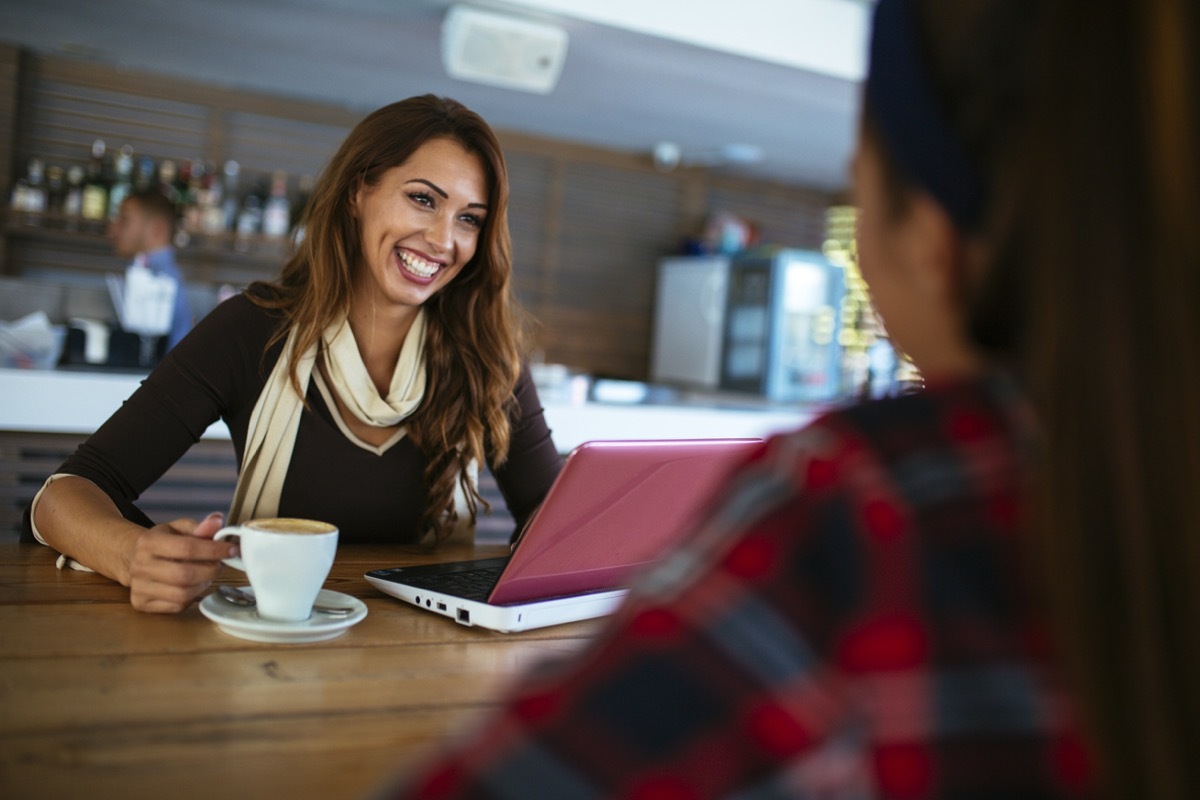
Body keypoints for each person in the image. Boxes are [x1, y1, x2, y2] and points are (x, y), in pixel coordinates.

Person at [377, 0, 1199, 798]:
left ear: (931, 235)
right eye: (423, 200)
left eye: (862, 165)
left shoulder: (878, 505)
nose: (444, 237)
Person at [25, 95, 563, 614]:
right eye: (423, 199)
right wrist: (131, 554)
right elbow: (63, 497)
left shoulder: (489, 355)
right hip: (271, 645)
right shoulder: (252, 329)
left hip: (430, 655)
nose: (444, 239)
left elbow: (554, 516)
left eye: (470, 218)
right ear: (358, 192)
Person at [108, 188, 193, 351]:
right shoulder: (142, 271)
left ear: (157, 229)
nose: (113, 230)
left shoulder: (165, 282)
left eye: (124, 220)